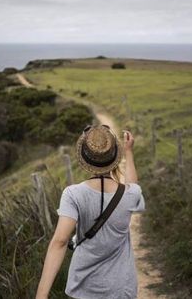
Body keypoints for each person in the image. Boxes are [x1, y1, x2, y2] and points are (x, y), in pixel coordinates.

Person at [35, 124, 146, 299]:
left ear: (86, 161)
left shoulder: (73, 194)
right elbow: (133, 185)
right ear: (114, 157)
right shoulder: (130, 193)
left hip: (84, 288)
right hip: (121, 288)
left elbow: (60, 241)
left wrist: (41, 295)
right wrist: (129, 152)